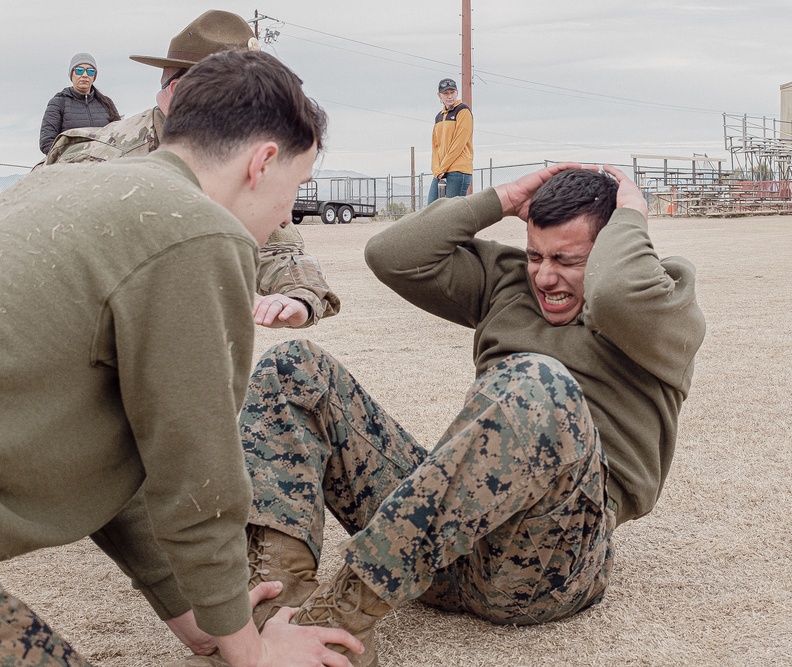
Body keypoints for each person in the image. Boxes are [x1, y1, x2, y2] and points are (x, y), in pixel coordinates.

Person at [212, 165, 705, 666]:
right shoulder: (507, 283)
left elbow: (616, 291)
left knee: (540, 380)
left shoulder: (659, 306)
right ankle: (275, 621)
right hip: (443, 542)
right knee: (294, 367)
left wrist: (631, 214)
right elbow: (391, 256)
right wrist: (505, 198)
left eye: (568, 260)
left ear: (609, 250)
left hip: (544, 565)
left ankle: (337, 621)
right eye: (536, 255)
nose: (545, 276)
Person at [0, 49, 367, 667]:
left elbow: (118, 449)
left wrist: (204, 621)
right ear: (264, 162)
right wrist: (252, 653)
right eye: (296, 190)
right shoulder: (197, 232)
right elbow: (197, 478)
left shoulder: (61, 183)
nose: (286, 215)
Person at [43, 10, 338, 329]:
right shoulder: (97, 158)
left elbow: (279, 243)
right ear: (181, 90)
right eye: (244, 96)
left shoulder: (236, 155)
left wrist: (299, 297)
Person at [38, 53, 122, 155]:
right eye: (79, 70)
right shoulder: (59, 102)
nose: (85, 75)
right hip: (70, 165)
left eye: (90, 71)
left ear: (94, 76)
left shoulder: (106, 103)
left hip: (104, 163)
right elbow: (46, 141)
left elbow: (119, 134)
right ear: (71, 74)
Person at [427, 77, 474, 205]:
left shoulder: (463, 111)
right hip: (442, 171)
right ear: (439, 95)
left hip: (458, 169)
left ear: (457, 93)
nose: (449, 96)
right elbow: (435, 146)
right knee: (431, 208)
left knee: (452, 213)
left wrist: (443, 166)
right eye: (445, 93)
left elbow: (459, 143)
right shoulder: (439, 117)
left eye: (452, 92)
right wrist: (436, 169)